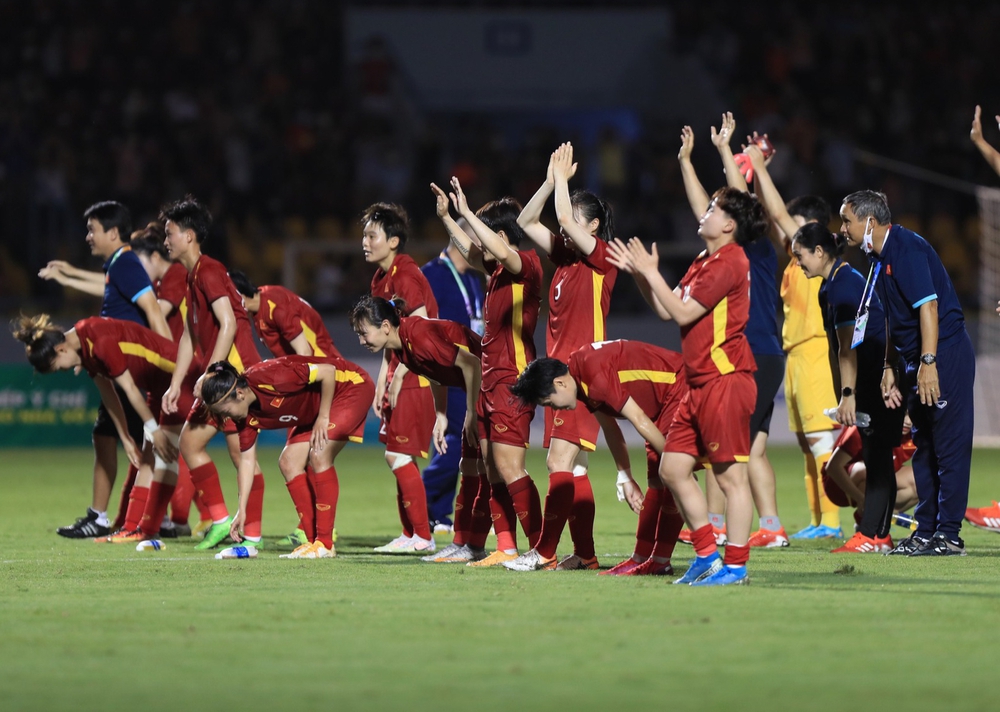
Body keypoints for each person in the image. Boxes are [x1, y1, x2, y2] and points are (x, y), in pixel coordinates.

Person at [608, 185, 766, 587]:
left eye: (713, 208)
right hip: (699, 385)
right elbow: (665, 308)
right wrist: (642, 277)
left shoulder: (730, 262)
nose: (705, 212)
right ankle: (706, 557)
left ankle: (735, 567)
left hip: (725, 381)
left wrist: (649, 272)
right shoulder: (703, 260)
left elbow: (680, 311)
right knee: (673, 468)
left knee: (731, 479)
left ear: (729, 224)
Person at [840, 190, 975, 556]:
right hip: (917, 359)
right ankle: (925, 530)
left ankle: (948, 535)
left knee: (948, 447)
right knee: (924, 447)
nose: (843, 229)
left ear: (869, 222)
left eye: (846, 220)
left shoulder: (906, 248)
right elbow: (890, 318)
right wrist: (889, 366)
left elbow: (927, 308)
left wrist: (929, 364)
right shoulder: (878, 257)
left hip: (943, 353)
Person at [675, 117, 788, 549]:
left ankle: (717, 524)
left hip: (749, 353)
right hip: (767, 355)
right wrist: (687, 162)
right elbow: (706, 208)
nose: (711, 216)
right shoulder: (744, 248)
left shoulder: (748, 247)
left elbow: (728, 202)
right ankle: (773, 525)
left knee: (716, 448)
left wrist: (725, 151)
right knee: (751, 449)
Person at [508, 142, 618, 570]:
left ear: (591, 226)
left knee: (558, 461)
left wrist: (564, 184)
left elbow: (565, 223)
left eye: (575, 217)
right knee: (576, 470)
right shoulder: (566, 259)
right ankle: (586, 556)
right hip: (560, 379)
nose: (566, 222)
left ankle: (544, 552)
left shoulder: (600, 259)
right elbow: (525, 220)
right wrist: (551, 181)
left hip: (578, 377)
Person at [37, 200, 171, 539]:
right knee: (137, 440)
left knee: (152, 441)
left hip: (126, 362)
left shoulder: (125, 263)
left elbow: (153, 311)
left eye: (92, 229)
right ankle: (152, 516)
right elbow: (107, 286)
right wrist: (68, 274)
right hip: (112, 361)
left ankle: (144, 517)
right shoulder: (118, 264)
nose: (87, 236)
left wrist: (170, 365)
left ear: (113, 233)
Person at [430, 177, 544, 568]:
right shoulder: (495, 273)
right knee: (493, 467)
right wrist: (449, 219)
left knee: (510, 466)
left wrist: (465, 213)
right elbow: (473, 252)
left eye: (484, 235)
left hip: (514, 380)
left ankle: (541, 550)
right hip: (491, 381)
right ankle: (506, 547)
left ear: (499, 234)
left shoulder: (525, 264)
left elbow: (494, 250)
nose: (477, 247)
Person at [509, 340, 688, 575]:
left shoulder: (594, 377)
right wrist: (626, 476)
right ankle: (642, 559)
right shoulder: (581, 375)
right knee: (657, 478)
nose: (555, 409)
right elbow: (611, 428)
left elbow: (638, 418)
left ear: (559, 383)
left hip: (679, 385)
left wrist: (676, 461)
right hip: (666, 396)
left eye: (550, 402)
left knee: (671, 474)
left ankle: (665, 559)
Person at [11, 314, 190, 544]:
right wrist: (125, 437)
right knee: (151, 458)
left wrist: (154, 429)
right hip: (158, 387)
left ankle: (219, 519)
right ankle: (134, 527)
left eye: (57, 367)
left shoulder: (99, 341)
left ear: (62, 350)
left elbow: (130, 389)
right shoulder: (84, 349)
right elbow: (109, 396)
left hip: (179, 376)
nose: (62, 371)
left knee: (191, 448)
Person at [743, 145, 843, 540]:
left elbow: (779, 215)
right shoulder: (796, 263)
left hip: (816, 351)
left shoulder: (819, 258)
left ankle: (833, 522)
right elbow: (776, 216)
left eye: (797, 223)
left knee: (821, 439)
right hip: (795, 355)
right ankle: (819, 521)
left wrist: (757, 168)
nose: (787, 230)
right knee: (806, 442)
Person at [159, 196, 265, 552]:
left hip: (234, 381)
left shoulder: (209, 270)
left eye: (170, 232)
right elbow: (191, 334)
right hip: (218, 379)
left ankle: (251, 533)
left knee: (241, 455)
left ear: (189, 236)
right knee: (189, 443)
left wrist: (213, 374)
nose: (166, 240)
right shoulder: (193, 276)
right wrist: (177, 383)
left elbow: (229, 323)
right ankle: (221, 520)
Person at [791, 222, 904, 553]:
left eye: (800, 256)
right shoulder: (834, 282)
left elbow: (846, 349)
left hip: (880, 377)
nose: (797, 263)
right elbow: (837, 350)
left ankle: (874, 535)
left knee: (878, 455)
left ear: (819, 252)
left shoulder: (841, 287)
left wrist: (848, 396)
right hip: (874, 374)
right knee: (876, 455)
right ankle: (877, 534)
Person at [350, 295, 488, 563]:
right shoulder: (404, 348)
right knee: (470, 467)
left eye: (364, 333)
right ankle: (464, 544)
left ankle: (503, 546)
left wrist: (472, 411)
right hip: (478, 389)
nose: (361, 341)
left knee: (493, 470)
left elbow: (473, 363)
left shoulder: (419, 336)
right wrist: (441, 414)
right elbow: (436, 372)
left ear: (386, 327)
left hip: (492, 382)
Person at [198, 356, 373, 560]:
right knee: (288, 462)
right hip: (314, 411)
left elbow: (327, 371)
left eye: (226, 411)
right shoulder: (243, 417)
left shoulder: (272, 376)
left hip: (350, 387)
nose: (226, 418)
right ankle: (313, 542)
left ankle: (324, 543)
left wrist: (324, 417)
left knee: (319, 454)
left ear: (239, 393)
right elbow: (246, 462)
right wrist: (241, 510)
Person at [229, 269, 344, 548]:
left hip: (321, 381)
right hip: (303, 385)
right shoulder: (260, 312)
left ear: (239, 297)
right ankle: (312, 528)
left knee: (310, 457)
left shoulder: (274, 304)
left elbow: (304, 354)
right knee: (297, 460)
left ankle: (320, 532)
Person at [362, 202, 440, 554]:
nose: (364, 241)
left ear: (393, 241)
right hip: (398, 370)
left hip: (418, 371)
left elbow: (420, 331)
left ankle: (423, 536)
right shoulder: (380, 279)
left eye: (371, 234)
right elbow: (388, 337)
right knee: (396, 454)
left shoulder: (406, 275)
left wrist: (398, 376)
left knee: (398, 456)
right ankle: (410, 535)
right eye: (364, 234)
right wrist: (383, 379)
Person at [131, 227, 209, 538]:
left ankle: (176, 519)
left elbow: (158, 314)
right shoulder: (167, 279)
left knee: (174, 447)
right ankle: (181, 518)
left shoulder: (177, 274)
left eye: (136, 264)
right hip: (172, 371)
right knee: (171, 447)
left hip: (183, 371)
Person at [419, 219, 485, 534]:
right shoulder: (430, 275)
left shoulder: (473, 277)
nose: (482, 246)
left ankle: (438, 513)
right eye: (475, 239)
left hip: (471, 368)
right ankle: (419, 496)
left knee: (454, 441)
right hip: (447, 369)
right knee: (460, 442)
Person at [822, 420, 918, 529]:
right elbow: (833, 467)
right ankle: (869, 523)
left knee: (921, 479)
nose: (908, 421)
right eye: (904, 414)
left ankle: (867, 523)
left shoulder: (916, 433)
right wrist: (860, 498)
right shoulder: (866, 425)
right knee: (869, 469)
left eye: (911, 415)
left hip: (882, 477)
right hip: (838, 485)